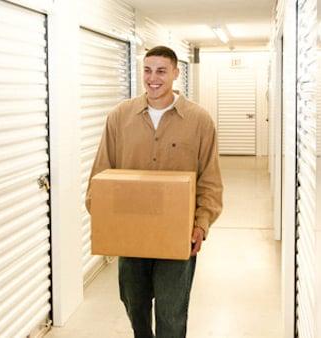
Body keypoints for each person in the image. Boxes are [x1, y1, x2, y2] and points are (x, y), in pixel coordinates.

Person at [85, 45, 223, 338]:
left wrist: (201, 223)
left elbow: (210, 179)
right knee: (134, 303)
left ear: (176, 72)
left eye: (161, 70)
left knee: (171, 311)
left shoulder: (199, 121)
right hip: (131, 232)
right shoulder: (120, 116)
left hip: (178, 234)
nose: (153, 78)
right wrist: (102, 215)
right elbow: (101, 172)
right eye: (147, 70)